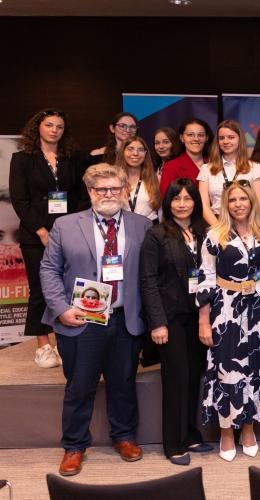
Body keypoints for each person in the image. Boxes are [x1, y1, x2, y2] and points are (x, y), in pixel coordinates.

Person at [40, 163, 152, 476]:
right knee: (79, 385)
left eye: (114, 188)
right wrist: (61, 308)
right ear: (90, 192)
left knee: (123, 382)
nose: (108, 194)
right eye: (101, 189)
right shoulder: (65, 225)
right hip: (81, 318)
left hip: (124, 317)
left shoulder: (142, 225)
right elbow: (48, 270)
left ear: (124, 190)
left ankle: (124, 437)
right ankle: (74, 446)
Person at [196, 179, 260, 462]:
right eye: (233, 200)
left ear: (252, 201)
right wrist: (204, 321)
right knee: (227, 370)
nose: (239, 204)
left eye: (243, 199)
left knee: (257, 366)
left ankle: (249, 428)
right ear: (225, 204)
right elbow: (205, 277)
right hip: (226, 311)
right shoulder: (214, 235)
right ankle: (227, 431)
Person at [139, 178, 211, 466]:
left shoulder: (205, 232)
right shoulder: (156, 235)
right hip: (170, 319)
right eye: (176, 199)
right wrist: (157, 323)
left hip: (199, 316)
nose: (182, 204)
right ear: (168, 203)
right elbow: (148, 281)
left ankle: (191, 434)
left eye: (188, 198)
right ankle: (173, 444)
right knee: (176, 379)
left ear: (196, 202)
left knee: (194, 376)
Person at [10, 108, 84, 368]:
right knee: (40, 289)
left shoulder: (73, 158)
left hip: (70, 232)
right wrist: (42, 231)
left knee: (70, 287)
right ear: (38, 128)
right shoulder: (22, 159)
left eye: (59, 126)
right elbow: (19, 200)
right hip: (36, 235)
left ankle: (67, 340)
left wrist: (73, 228)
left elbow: (81, 195)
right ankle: (43, 345)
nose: (54, 130)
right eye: (49, 125)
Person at [197, 120, 260, 226]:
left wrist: (243, 228)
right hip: (215, 224)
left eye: (231, 137)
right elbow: (203, 206)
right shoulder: (206, 169)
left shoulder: (256, 168)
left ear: (240, 139)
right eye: (221, 138)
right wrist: (219, 230)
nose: (225, 141)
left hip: (248, 225)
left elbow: (258, 205)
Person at [160, 118, 212, 196]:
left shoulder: (216, 163)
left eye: (200, 135)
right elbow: (168, 198)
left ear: (206, 138)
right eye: (190, 135)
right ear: (182, 138)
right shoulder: (171, 167)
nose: (196, 139)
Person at [116, 136, 161, 222]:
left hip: (150, 226)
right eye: (130, 149)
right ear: (122, 152)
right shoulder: (113, 180)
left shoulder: (156, 179)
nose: (136, 153)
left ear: (145, 153)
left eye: (140, 150)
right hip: (123, 226)